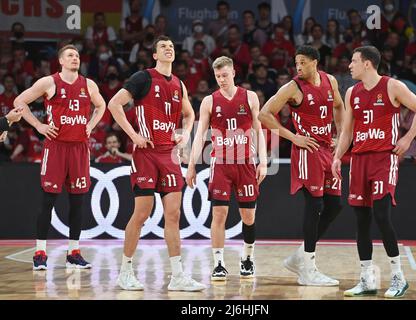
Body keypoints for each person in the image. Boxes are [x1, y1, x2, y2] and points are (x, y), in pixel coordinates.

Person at [108, 35, 206, 292]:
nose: (169, 49)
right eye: (163, 47)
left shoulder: (179, 83)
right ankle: (125, 271)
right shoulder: (143, 78)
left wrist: (185, 134)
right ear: (154, 55)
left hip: (169, 154)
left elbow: (190, 113)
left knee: (173, 215)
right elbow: (114, 104)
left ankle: (177, 276)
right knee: (142, 213)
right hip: (146, 153)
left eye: (172, 46)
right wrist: (134, 136)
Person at [331, 46, 416, 298]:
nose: (349, 66)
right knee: (361, 221)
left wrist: (406, 139)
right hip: (359, 161)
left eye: (353, 61)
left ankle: (398, 277)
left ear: (367, 64)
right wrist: (337, 157)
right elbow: (347, 132)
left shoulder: (392, 86)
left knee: (382, 215)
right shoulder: (352, 92)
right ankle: (367, 280)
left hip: (384, 158)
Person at [14, 44, 106, 270]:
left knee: (78, 202)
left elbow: (101, 105)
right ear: (61, 61)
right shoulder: (49, 82)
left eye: (77, 55)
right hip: (55, 148)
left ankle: (73, 252)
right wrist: (38, 126)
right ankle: (40, 253)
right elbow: (19, 102)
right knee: (48, 201)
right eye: (70, 56)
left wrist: (91, 125)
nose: (75, 58)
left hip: (79, 148)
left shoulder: (89, 84)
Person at [259, 46, 345, 286]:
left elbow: (339, 106)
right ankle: (308, 268)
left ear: (315, 62)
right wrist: (293, 137)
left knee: (335, 204)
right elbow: (264, 114)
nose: (298, 67)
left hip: (327, 149)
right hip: (307, 152)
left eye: (303, 62)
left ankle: (300, 256)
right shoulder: (293, 87)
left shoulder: (330, 81)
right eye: (296, 62)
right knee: (314, 204)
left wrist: (340, 133)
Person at [186, 56, 267, 281]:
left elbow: (258, 130)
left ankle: (247, 258)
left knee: (248, 216)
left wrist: (262, 161)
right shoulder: (209, 101)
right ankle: (219, 263)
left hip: (245, 164)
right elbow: (200, 135)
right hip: (220, 164)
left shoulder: (249, 97)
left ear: (233, 73)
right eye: (217, 76)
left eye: (224, 75)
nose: (221, 79)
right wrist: (191, 165)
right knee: (219, 214)